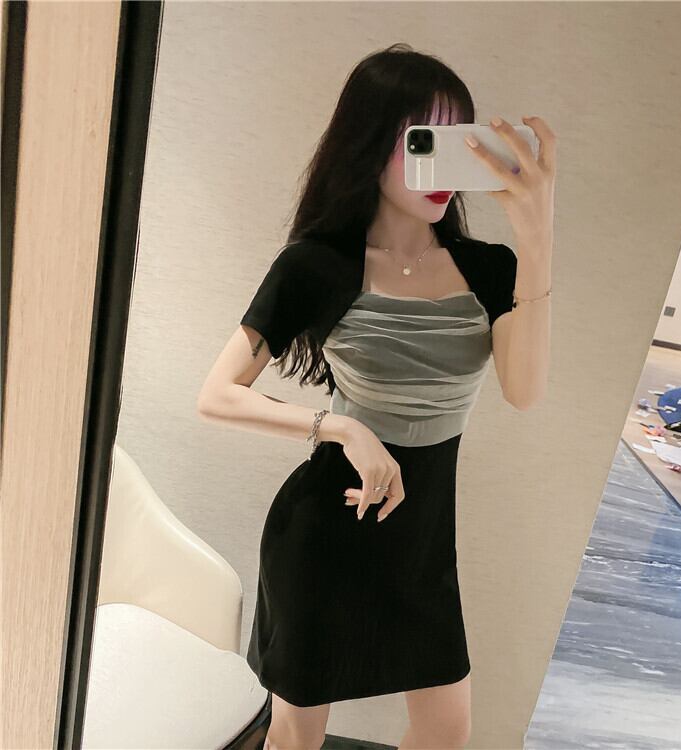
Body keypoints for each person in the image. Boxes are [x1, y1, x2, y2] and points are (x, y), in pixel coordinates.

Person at [198, 42, 555, 750]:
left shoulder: (492, 269)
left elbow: (524, 392)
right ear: (368, 144)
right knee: (297, 738)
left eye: (453, 140)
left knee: (446, 731)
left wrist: (537, 235)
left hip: (424, 551)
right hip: (323, 537)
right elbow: (216, 394)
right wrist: (343, 429)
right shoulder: (318, 265)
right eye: (419, 141)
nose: (438, 165)